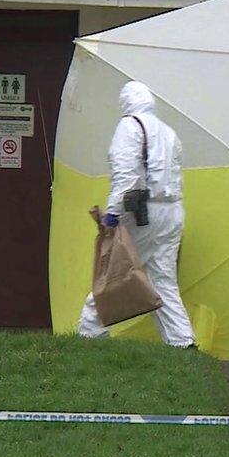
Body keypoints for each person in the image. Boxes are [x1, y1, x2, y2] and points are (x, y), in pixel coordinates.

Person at [77, 81, 196, 349]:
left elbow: (126, 177)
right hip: (172, 211)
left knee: (115, 270)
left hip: (142, 213)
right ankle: (182, 340)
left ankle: (88, 333)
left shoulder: (129, 127)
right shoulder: (168, 132)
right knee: (162, 278)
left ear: (125, 103)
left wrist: (112, 215)